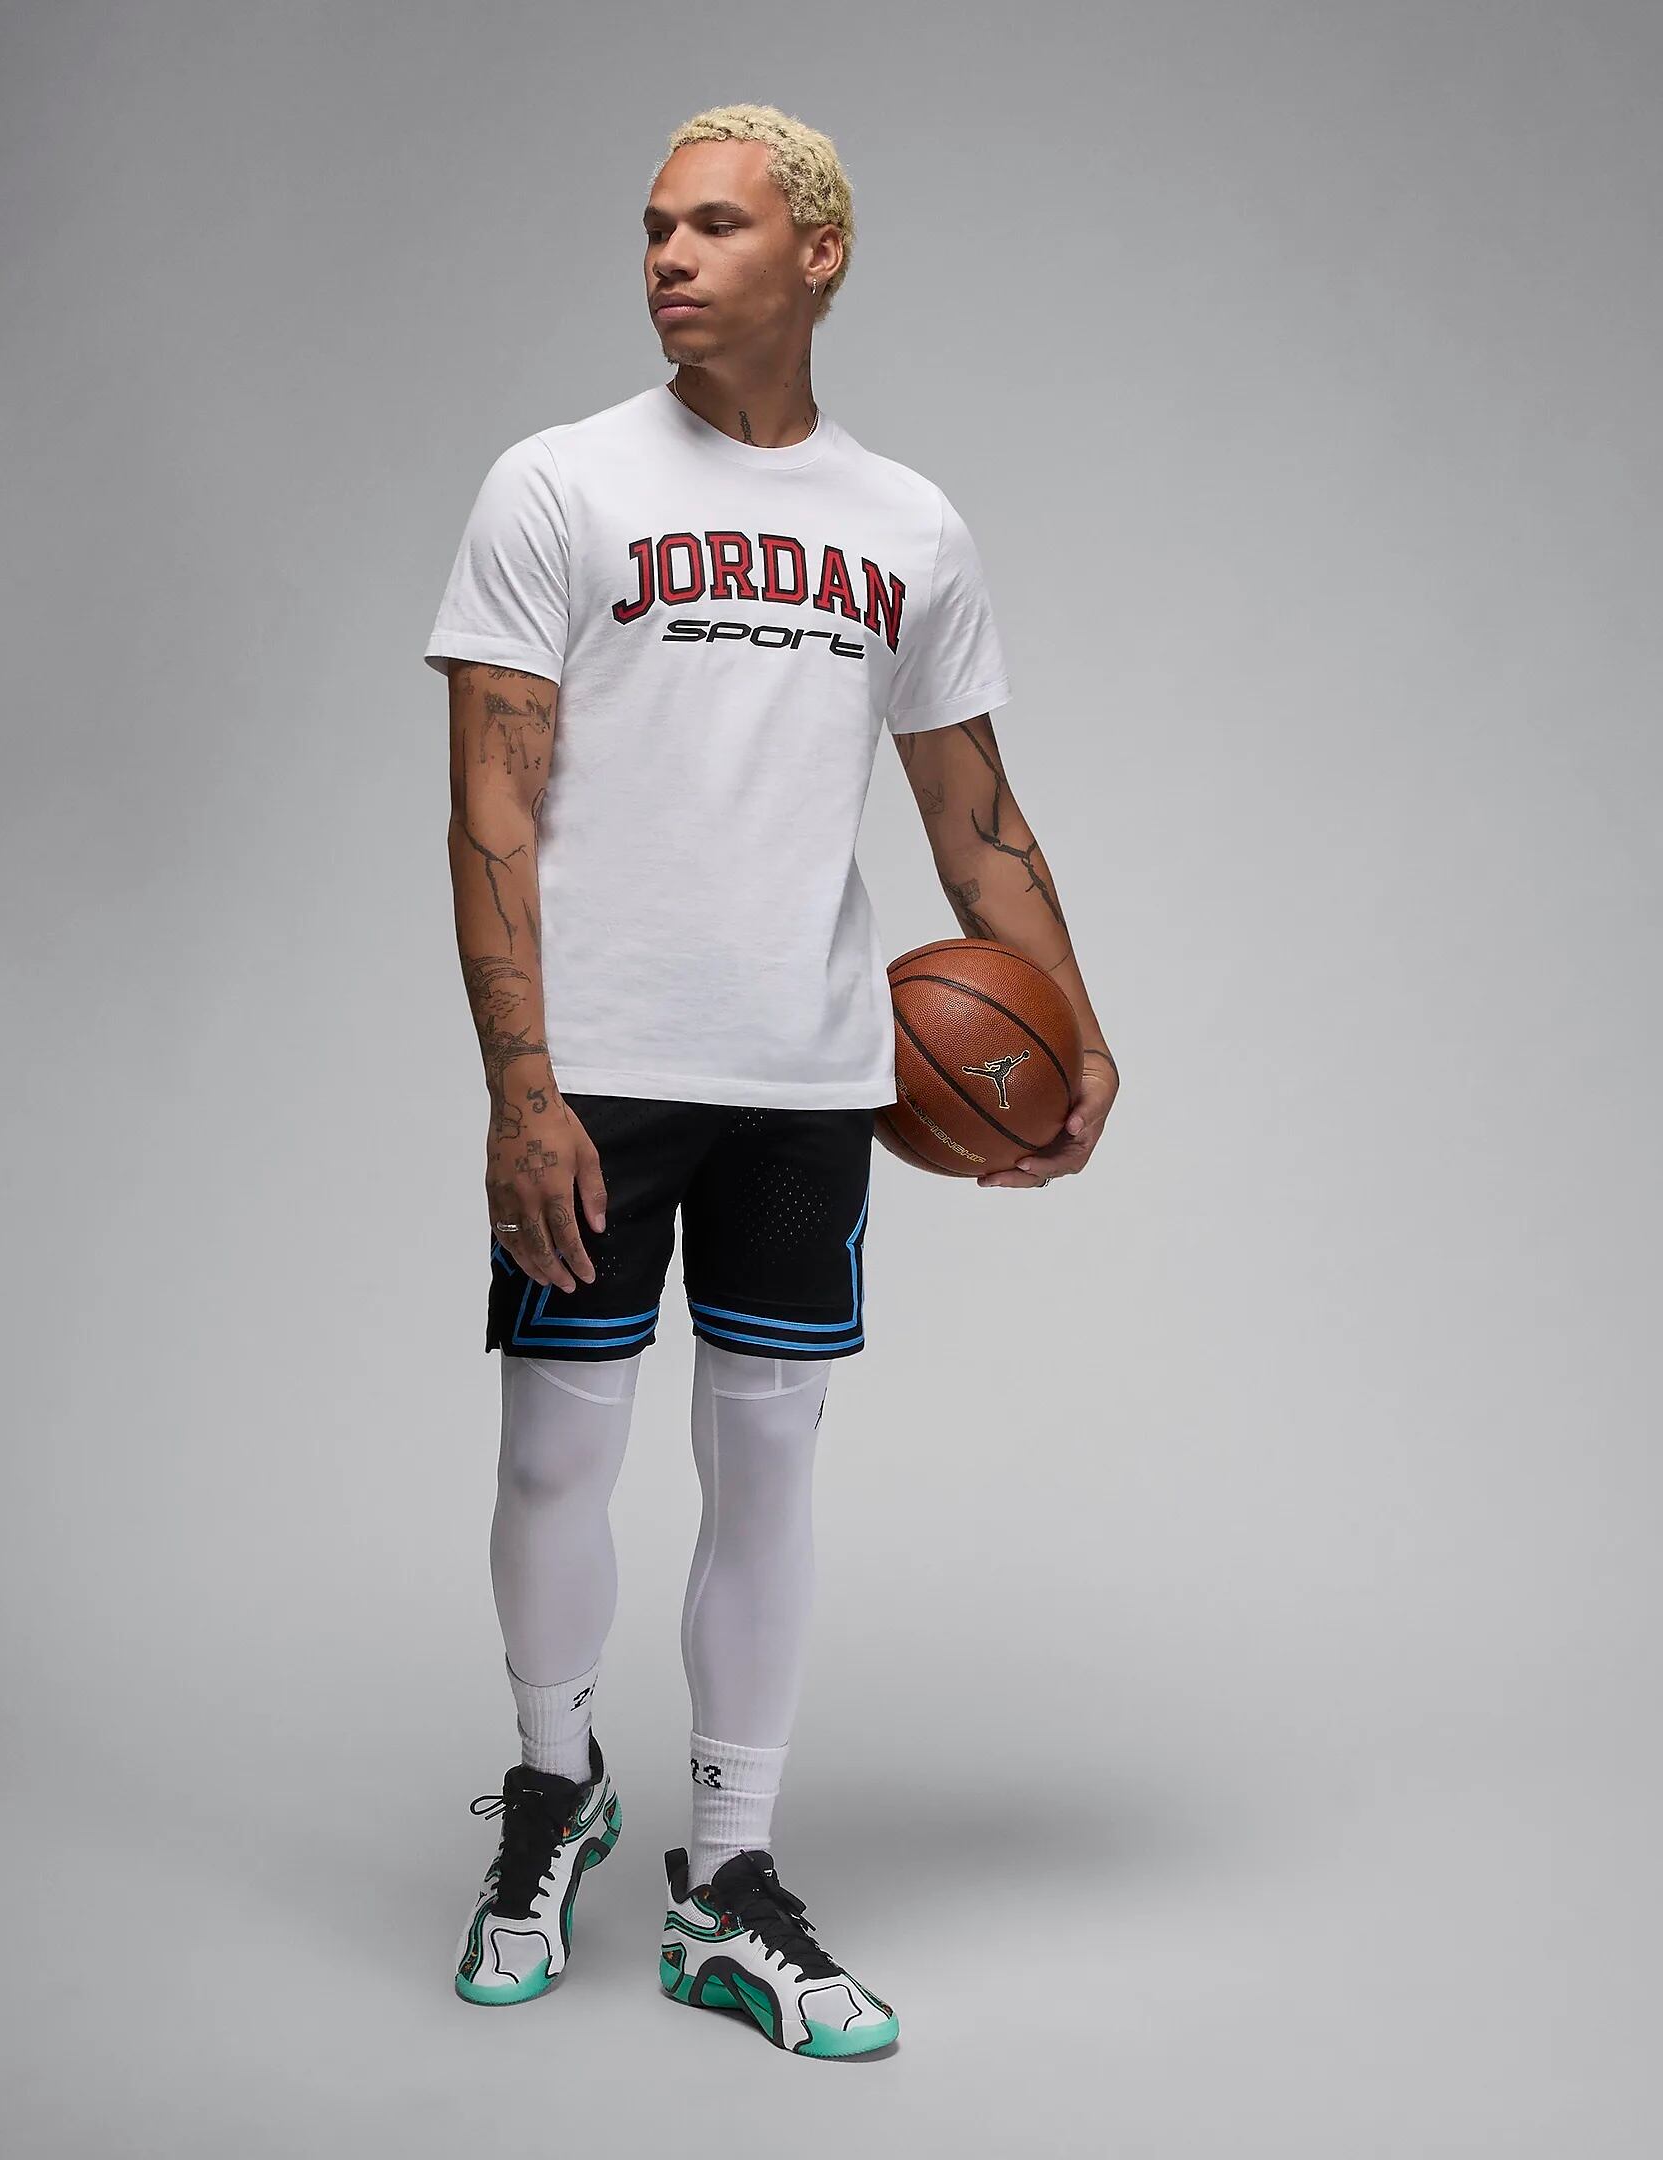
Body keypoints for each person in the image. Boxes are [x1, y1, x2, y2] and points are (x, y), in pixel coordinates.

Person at [423, 102, 1118, 2060]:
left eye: (715, 225)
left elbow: (973, 820)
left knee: (770, 1463)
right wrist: (522, 1085)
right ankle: (554, 1784)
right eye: (654, 225)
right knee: (554, 1455)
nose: (668, 255)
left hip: (812, 1080)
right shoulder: (555, 484)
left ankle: (729, 1877)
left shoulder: (909, 525)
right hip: (599, 1072)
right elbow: (491, 804)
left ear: (820, 254)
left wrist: (1078, 1029)